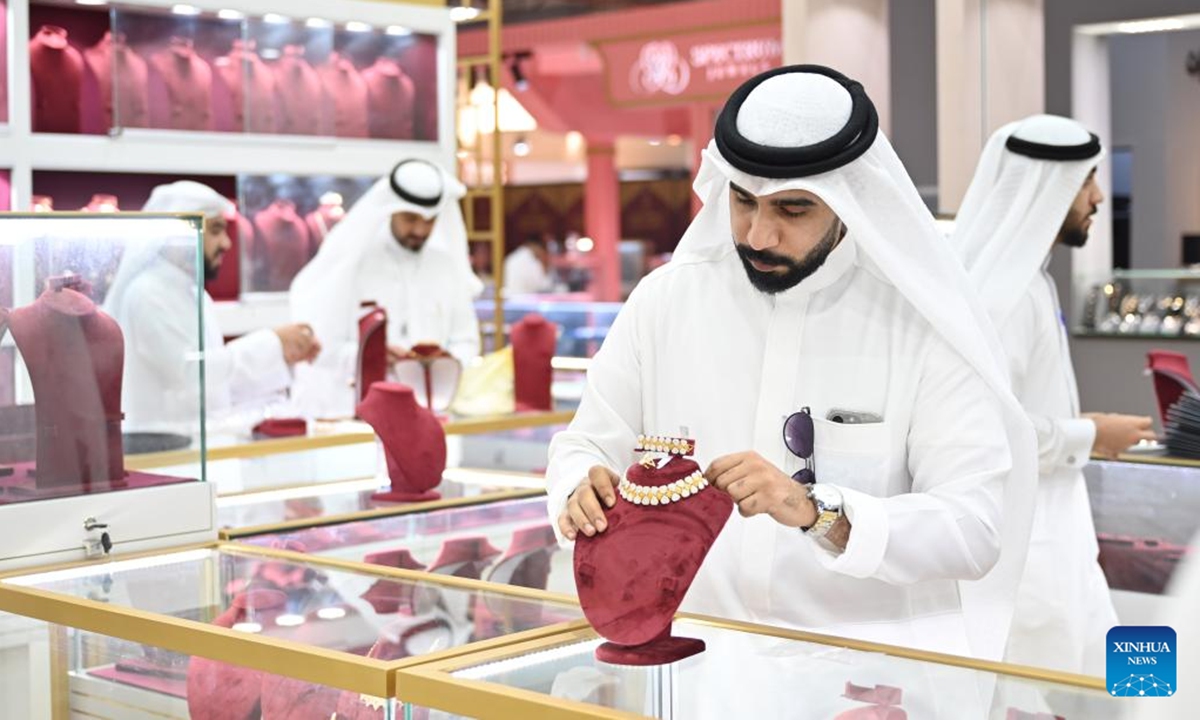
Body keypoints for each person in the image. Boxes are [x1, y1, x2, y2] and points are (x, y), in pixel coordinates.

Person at [547, 64, 1037, 662]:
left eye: (794, 210)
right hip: (695, 666)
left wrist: (816, 512)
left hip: (862, 679)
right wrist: (579, 487)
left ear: (846, 200)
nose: (758, 234)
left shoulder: (919, 326)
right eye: (743, 201)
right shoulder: (665, 301)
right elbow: (586, 445)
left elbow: (975, 528)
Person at [953, 114, 1155, 675]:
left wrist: (1084, 423)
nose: (1096, 197)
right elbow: (990, 430)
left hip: (1058, 542)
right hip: (1027, 559)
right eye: (1086, 180)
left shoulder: (1030, 283)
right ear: (1048, 188)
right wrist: (1091, 434)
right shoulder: (1005, 295)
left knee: (1116, 686)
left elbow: (1021, 408)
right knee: (1060, 694)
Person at [104, 181, 320, 434]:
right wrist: (273, 343)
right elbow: (189, 376)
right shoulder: (146, 293)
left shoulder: (194, 295)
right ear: (178, 234)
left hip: (195, 450)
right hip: (160, 455)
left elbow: (216, 389)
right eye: (216, 230)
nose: (227, 244)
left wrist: (282, 352)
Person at [290, 158, 482, 417]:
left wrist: (443, 362)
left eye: (430, 220)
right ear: (391, 209)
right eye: (410, 218)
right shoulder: (354, 262)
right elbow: (323, 350)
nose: (420, 229)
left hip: (433, 414)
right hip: (364, 415)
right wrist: (372, 355)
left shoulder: (445, 266)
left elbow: (467, 341)